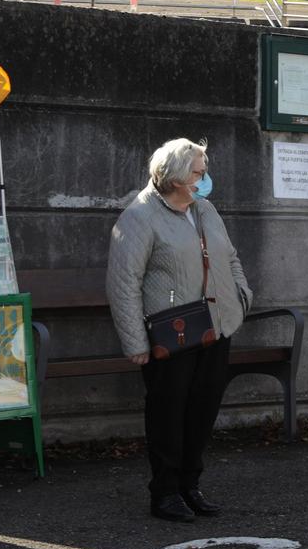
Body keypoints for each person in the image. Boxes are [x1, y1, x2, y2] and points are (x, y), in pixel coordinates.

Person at [108, 138, 254, 523]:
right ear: (173, 176)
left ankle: (191, 485)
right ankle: (166, 491)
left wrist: (241, 296)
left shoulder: (205, 209)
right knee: (168, 413)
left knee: (202, 411)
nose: (204, 178)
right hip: (170, 334)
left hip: (216, 327)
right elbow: (124, 283)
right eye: (197, 172)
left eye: (204, 170)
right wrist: (135, 342)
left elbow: (231, 257)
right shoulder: (139, 217)